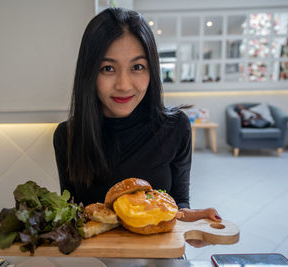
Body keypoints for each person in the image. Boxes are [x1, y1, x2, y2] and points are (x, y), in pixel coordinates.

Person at [53, 8, 220, 225]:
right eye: (108, 68)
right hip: (97, 259)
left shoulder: (176, 127)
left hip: (160, 256)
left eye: (137, 67)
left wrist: (192, 222)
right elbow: (72, 214)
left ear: (152, 70)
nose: (123, 85)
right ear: (89, 73)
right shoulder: (68, 136)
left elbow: (177, 205)